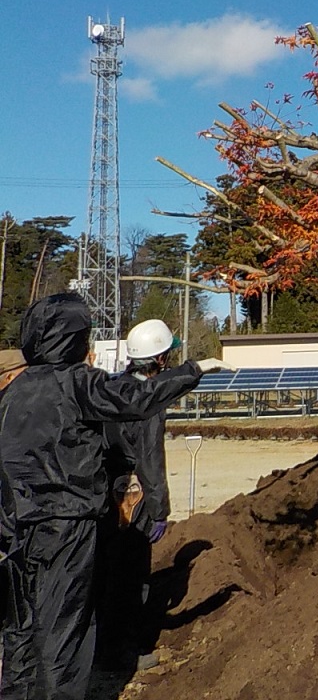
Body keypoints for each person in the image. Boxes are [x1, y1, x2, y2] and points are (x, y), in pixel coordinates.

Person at [0, 294, 220, 699]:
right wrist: (192, 371)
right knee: (64, 630)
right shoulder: (76, 383)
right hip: (68, 525)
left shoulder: (15, 392)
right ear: (73, 340)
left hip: (19, 529)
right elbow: (136, 399)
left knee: (22, 629)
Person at [96, 319, 201, 672]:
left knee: (105, 570)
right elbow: (150, 458)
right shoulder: (148, 401)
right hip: (134, 495)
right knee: (132, 575)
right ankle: (124, 652)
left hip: (104, 493)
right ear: (159, 359)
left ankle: (98, 646)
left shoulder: (112, 387)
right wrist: (159, 510)